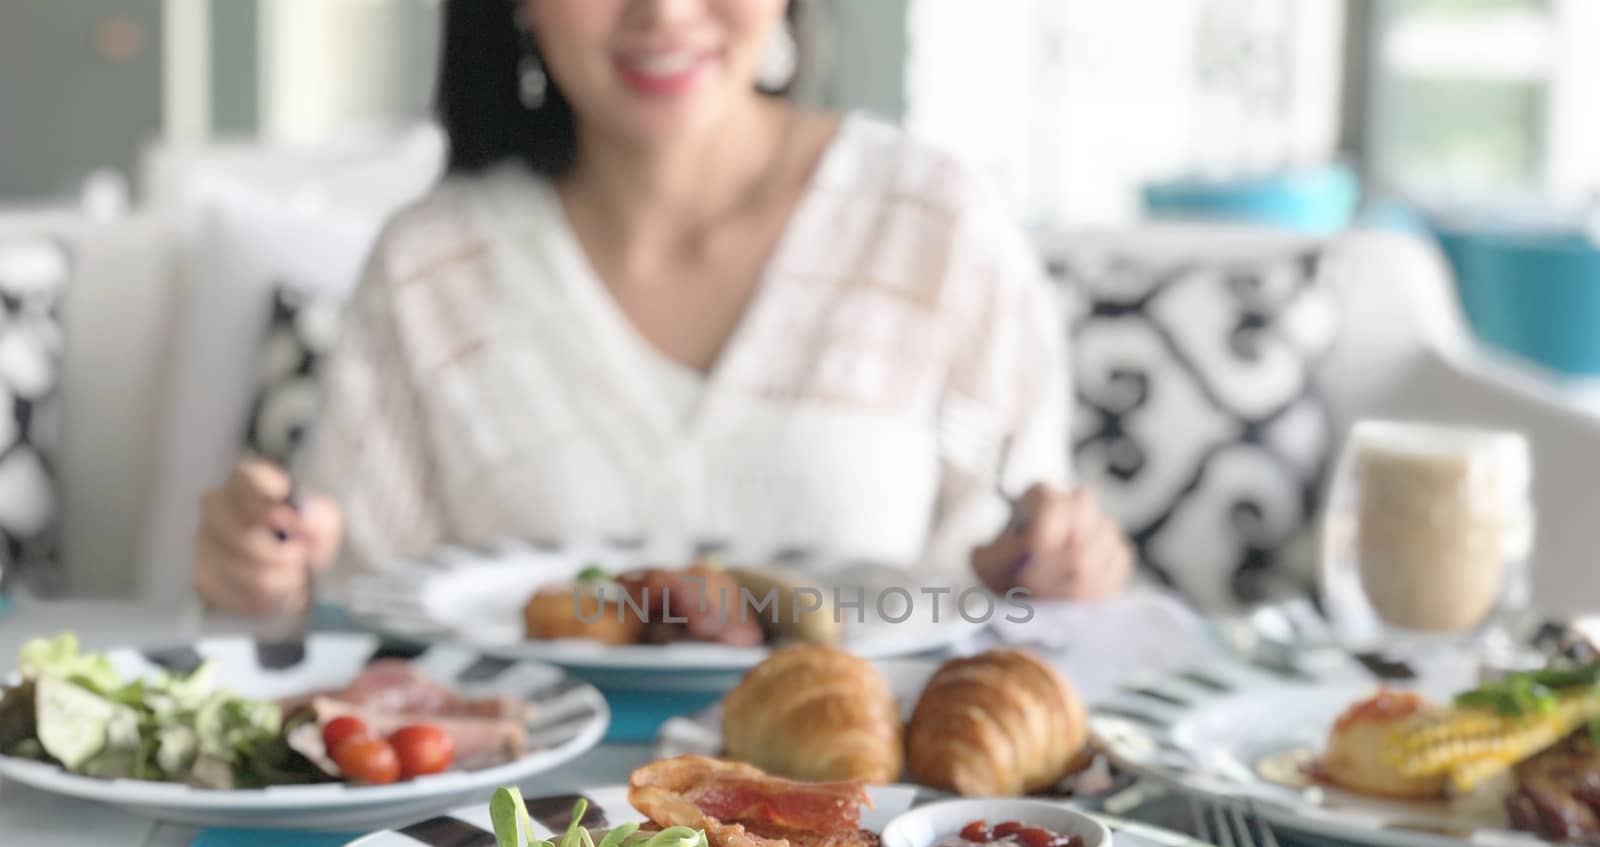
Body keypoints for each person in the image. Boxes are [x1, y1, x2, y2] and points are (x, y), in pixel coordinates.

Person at [194, 0, 1133, 615]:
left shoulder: (936, 225)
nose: (665, 13)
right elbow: (364, 611)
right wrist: (266, 573)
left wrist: (1057, 567)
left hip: (877, 841)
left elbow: (1017, 589)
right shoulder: (430, 265)